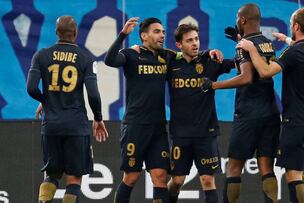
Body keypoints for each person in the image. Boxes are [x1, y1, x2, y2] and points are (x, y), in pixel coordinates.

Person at [238, 7, 304, 203]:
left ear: (296, 26)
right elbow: (300, 50)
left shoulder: (292, 53)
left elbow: (266, 71)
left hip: (297, 122)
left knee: (292, 175)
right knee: (299, 173)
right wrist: (286, 39)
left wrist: (251, 49)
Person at [202, 4, 280, 203]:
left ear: (243, 20)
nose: (236, 20)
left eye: (238, 17)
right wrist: (239, 41)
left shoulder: (244, 45)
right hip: (270, 112)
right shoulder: (266, 42)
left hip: (248, 113)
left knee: (234, 167)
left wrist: (214, 85)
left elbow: (246, 77)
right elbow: (255, 66)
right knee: (267, 168)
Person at [26, 15, 108, 203]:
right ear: (76, 33)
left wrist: (46, 100)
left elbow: (31, 88)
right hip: (76, 126)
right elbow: (93, 95)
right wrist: (98, 117)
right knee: (74, 178)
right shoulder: (86, 59)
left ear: (56, 33)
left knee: (52, 174)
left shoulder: (41, 55)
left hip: (51, 126)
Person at [104, 17, 172, 203]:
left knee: (160, 178)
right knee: (131, 177)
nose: (162, 35)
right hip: (135, 126)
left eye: (163, 32)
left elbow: (189, 57)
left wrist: (210, 53)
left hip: (158, 127)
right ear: (144, 35)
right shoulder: (131, 54)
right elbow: (109, 60)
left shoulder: (167, 56)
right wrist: (123, 35)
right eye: (157, 31)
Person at [166, 23, 234, 203]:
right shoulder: (171, 63)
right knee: (177, 181)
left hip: (206, 133)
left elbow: (238, 63)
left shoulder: (210, 62)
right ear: (179, 45)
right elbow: (154, 52)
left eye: (196, 39)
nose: (195, 43)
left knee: (207, 180)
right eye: (189, 41)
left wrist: (241, 43)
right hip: (180, 134)